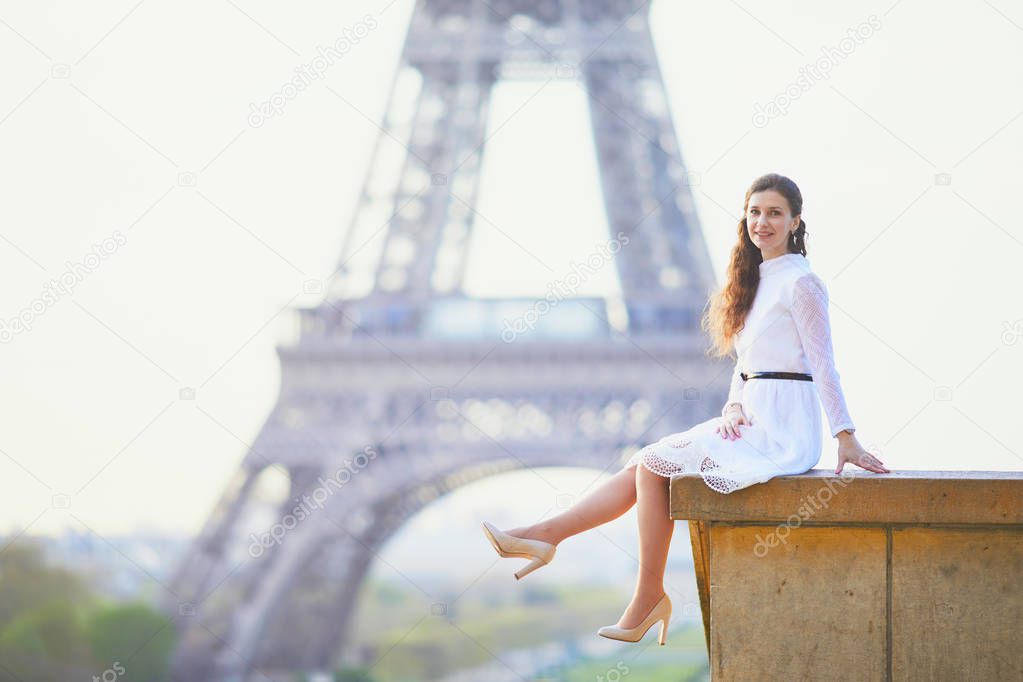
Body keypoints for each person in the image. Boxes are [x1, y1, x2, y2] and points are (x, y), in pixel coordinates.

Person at [480, 172, 890, 646]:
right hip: (751, 418)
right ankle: (557, 541)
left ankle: (613, 575)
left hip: (784, 428)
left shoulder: (803, 283)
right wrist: (735, 407)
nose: (763, 222)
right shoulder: (753, 281)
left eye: (775, 213)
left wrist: (845, 435)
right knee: (644, 464)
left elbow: (824, 366)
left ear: (796, 221)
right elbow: (746, 365)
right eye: (755, 212)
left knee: (652, 466)